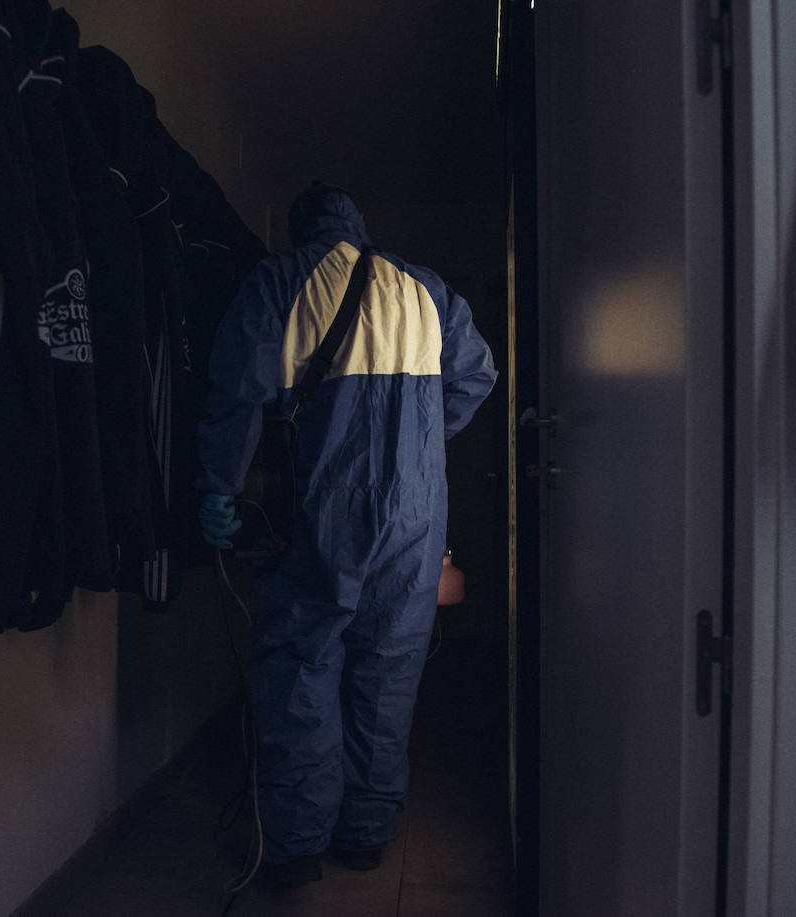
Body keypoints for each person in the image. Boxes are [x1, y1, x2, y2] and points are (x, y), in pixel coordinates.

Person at [194, 182, 496, 887]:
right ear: (358, 228)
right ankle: (364, 833)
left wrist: (219, 484)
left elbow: (238, 388)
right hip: (418, 514)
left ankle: (297, 844)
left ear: (302, 231)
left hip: (325, 504)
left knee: (303, 663)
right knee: (388, 671)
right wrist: (423, 444)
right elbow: (477, 374)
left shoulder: (281, 280)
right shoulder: (425, 290)